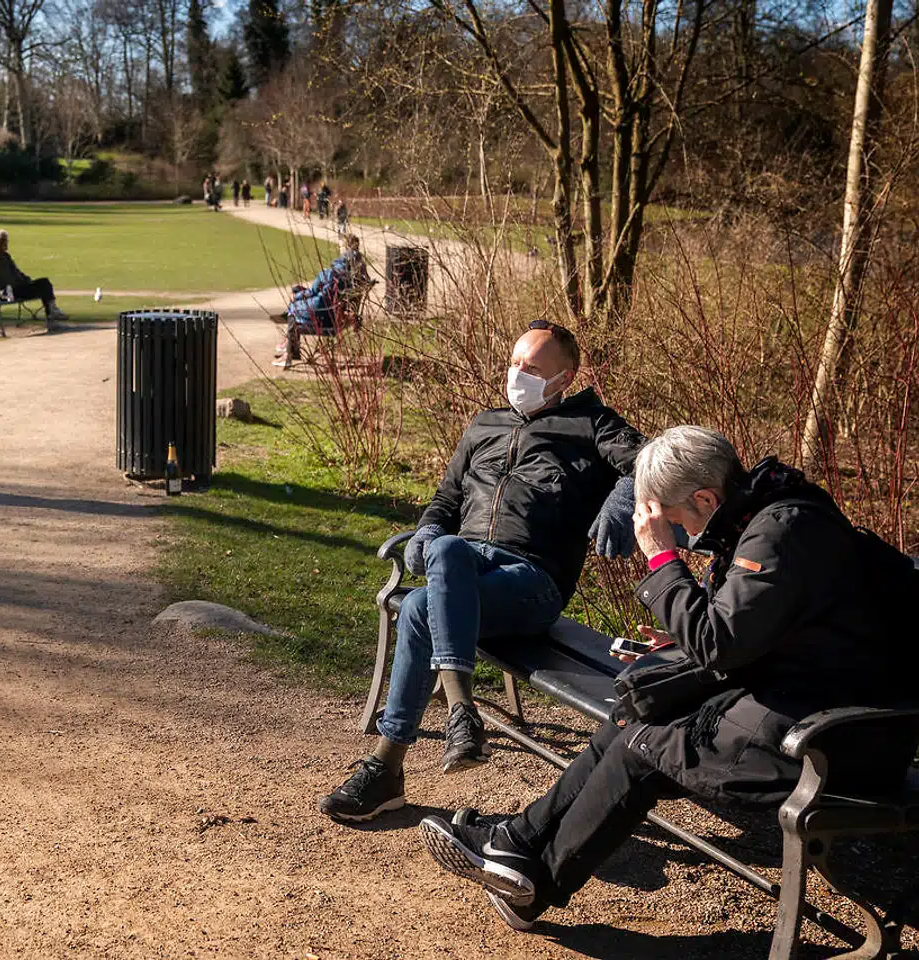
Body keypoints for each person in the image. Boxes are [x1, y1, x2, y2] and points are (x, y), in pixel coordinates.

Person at [418, 426, 917, 932]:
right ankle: (518, 843)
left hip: (837, 737)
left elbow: (721, 641)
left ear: (705, 496)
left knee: (643, 750)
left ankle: (534, 885)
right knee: (633, 712)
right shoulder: (764, 518)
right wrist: (678, 644)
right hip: (803, 699)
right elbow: (764, 627)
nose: (678, 532)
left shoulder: (781, 533)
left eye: (674, 519)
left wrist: (661, 559)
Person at [318, 320, 650, 818]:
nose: (518, 374)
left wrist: (625, 497)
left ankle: (393, 763)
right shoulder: (484, 424)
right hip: (462, 567)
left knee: (416, 604)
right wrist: (428, 532)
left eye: (533, 368)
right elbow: (447, 500)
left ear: (564, 379)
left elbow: (653, 459)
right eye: (514, 363)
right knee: (438, 568)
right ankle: (459, 717)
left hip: (532, 581)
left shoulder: (592, 425)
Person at [271, 234, 369, 368]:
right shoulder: (355, 272)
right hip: (335, 313)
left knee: (294, 307)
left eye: (340, 246)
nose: (338, 248)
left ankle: (289, 354)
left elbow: (313, 292)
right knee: (297, 300)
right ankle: (288, 344)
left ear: (345, 249)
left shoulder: (332, 272)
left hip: (325, 316)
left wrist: (297, 296)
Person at [0, 229, 69, 327]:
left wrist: (27, 279)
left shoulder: (6, 256)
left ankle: (51, 312)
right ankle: (51, 313)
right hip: (10, 293)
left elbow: (17, 272)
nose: (6, 245)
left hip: (19, 288)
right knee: (44, 284)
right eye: (3, 242)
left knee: (44, 282)